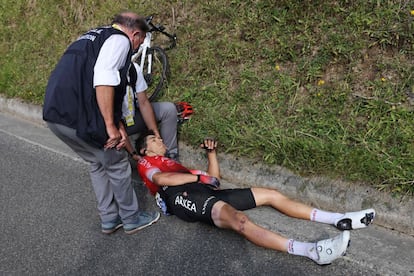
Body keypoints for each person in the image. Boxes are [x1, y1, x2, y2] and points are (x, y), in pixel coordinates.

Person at [134, 130, 376, 265]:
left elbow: (215, 180)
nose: (161, 140)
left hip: (200, 190)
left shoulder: (174, 163)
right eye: (155, 139)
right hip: (181, 197)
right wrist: (198, 179)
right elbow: (161, 181)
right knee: (239, 222)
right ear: (145, 149)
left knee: (270, 194)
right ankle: (311, 250)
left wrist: (212, 154)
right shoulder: (147, 163)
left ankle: (338, 218)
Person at [43, 12, 160, 235]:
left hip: (56, 116)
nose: (136, 48)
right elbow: (104, 79)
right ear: (135, 34)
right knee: (116, 163)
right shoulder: (120, 40)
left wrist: (119, 125)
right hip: (83, 118)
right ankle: (132, 218)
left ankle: (109, 218)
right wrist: (110, 126)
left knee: (97, 163)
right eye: (140, 41)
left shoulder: (90, 36)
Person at [122, 62, 192, 161]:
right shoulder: (104, 73)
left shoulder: (133, 68)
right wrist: (132, 153)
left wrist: (156, 134)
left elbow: (144, 103)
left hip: (132, 116)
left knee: (168, 109)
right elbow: (111, 121)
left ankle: (171, 156)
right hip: (112, 127)